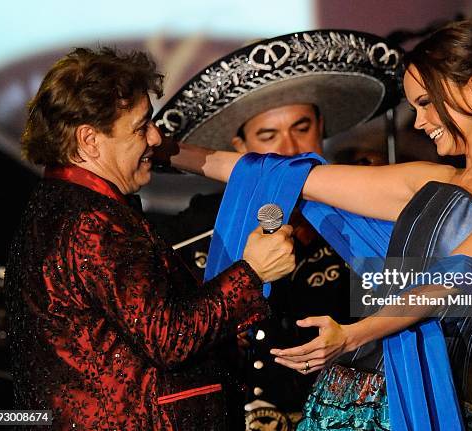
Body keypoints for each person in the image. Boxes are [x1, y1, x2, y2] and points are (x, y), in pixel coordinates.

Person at [167, 20, 472, 429]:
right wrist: (164, 149)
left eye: (425, 102)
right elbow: (279, 174)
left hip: (421, 410)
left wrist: (352, 334)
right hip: (340, 405)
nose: (418, 122)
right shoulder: (428, 181)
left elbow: (450, 284)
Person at [5, 47, 296, 430]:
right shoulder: (92, 221)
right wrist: (252, 272)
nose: (155, 138)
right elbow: (169, 337)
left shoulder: (57, 205)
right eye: (141, 127)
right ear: (90, 140)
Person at [150, 29, 403, 423]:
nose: (289, 149)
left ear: (322, 128)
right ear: (239, 148)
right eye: (268, 136)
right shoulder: (202, 227)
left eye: (301, 128)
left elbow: (458, 290)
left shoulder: (362, 220)